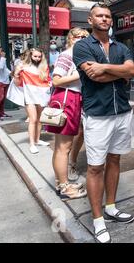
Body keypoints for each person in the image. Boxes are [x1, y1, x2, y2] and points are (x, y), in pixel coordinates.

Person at [73, 3, 134, 244]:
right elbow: (93, 76)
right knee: (95, 167)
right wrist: (119, 72)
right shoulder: (82, 46)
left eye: (108, 16)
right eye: (99, 15)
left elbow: (131, 70)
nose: (104, 19)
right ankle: (98, 220)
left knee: (115, 159)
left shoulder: (121, 46)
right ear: (90, 20)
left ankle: (111, 207)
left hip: (121, 111)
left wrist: (108, 67)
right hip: (98, 115)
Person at [45, 27, 89, 200]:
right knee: (64, 148)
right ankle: (64, 187)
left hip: (68, 99)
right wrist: (80, 74)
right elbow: (56, 80)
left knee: (60, 147)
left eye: (86, 37)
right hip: (66, 99)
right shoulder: (67, 55)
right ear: (71, 38)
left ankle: (60, 181)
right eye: (79, 36)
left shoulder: (74, 55)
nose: (82, 39)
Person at [13, 48, 51, 154]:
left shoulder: (44, 67)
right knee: (33, 119)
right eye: (35, 56)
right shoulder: (23, 66)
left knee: (39, 119)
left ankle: (37, 140)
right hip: (29, 96)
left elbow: (47, 82)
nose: (37, 59)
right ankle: (32, 144)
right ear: (30, 56)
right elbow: (17, 83)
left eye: (39, 57)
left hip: (41, 96)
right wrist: (16, 73)